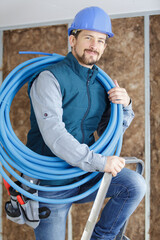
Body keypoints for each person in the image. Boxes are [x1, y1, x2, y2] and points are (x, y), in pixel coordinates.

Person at [26, 6, 146, 240]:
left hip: (85, 174)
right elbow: (55, 136)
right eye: (88, 38)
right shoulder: (49, 79)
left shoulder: (102, 84)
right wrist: (100, 162)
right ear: (73, 40)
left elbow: (110, 133)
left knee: (134, 184)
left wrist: (126, 106)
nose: (94, 45)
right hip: (51, 183)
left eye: (100, 40)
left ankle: (102, 238)